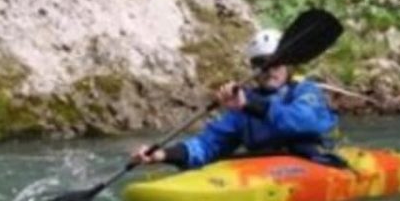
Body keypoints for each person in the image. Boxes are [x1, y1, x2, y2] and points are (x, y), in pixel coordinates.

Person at [130, 28, 340, 169]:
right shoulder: (243, 103)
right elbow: (208, 145)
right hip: (266, 168)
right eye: (260, 64)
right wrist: (164, 155)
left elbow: (303, 122)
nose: (268, 71)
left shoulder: (306, 91)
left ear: (289, 66)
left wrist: (251, 105)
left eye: (274, 63)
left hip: (313, 162)